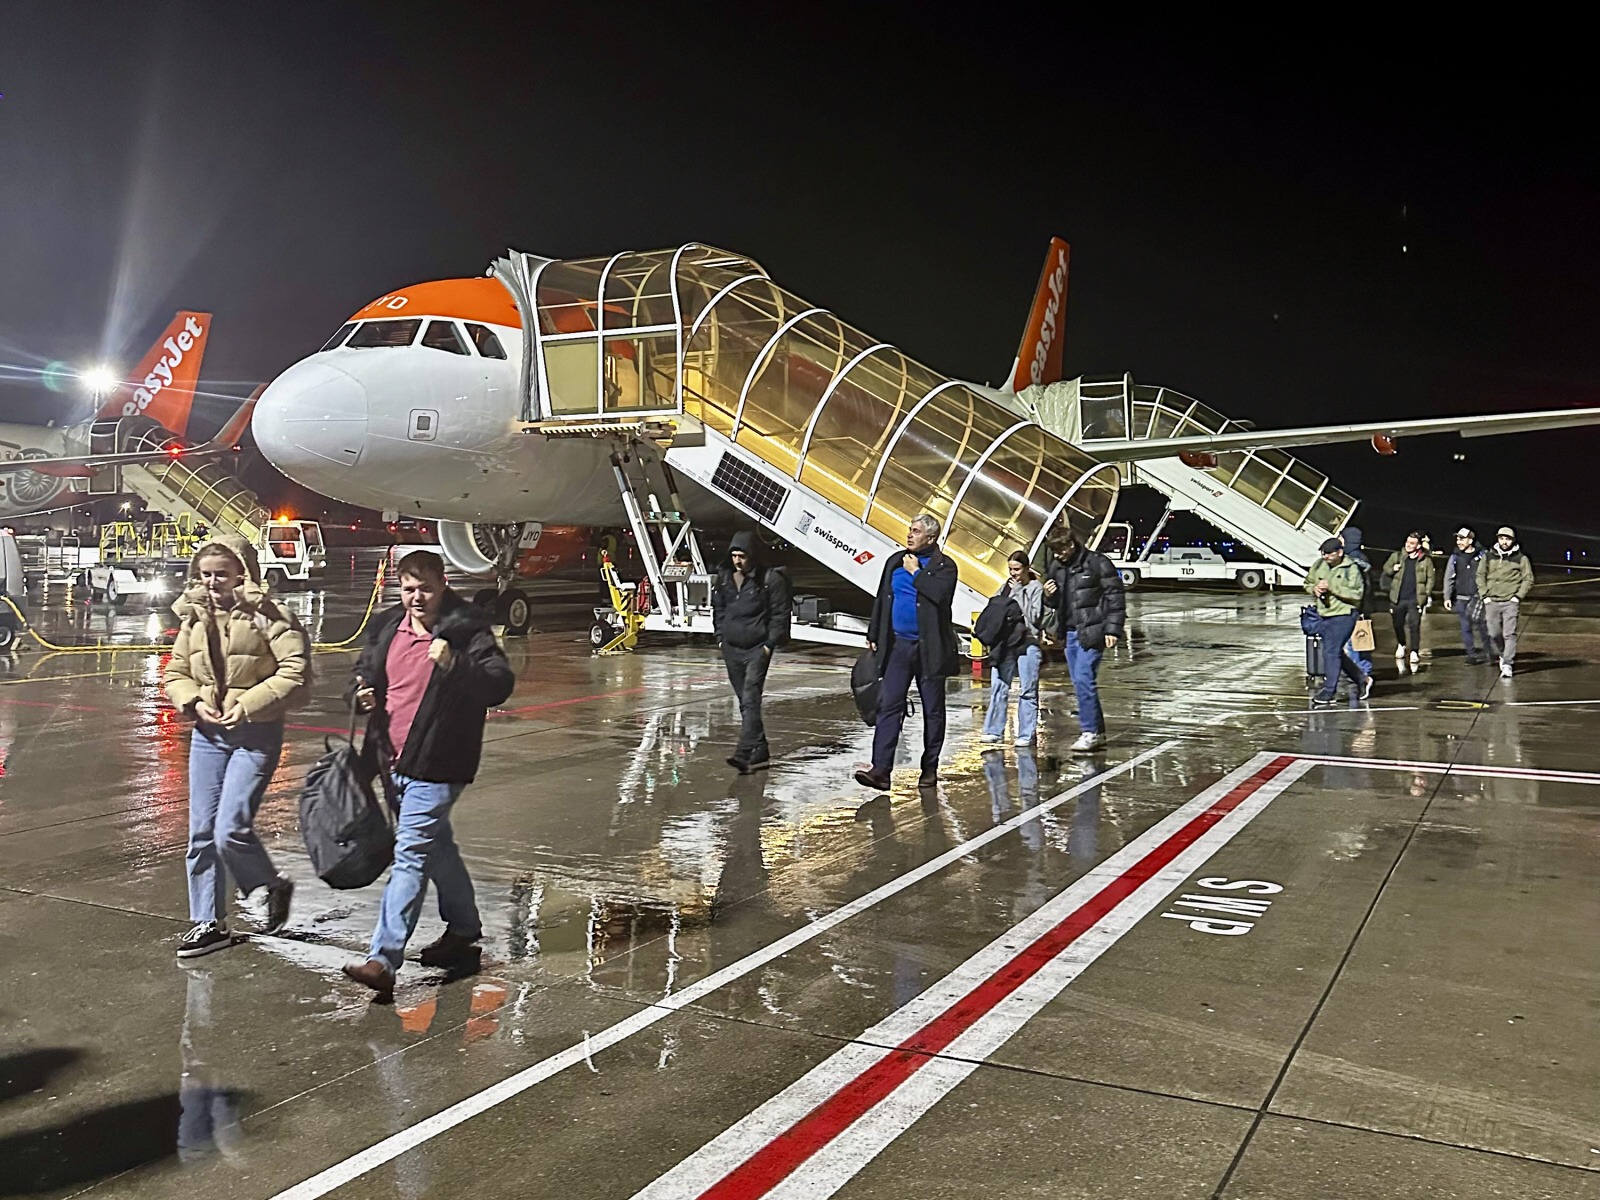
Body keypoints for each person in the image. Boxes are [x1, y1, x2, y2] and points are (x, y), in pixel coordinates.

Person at [344, 550, 515, 998]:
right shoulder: (387, 626)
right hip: (391, 761)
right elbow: (362, 673)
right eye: (408, 588)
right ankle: (464, 927)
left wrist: (456, 664)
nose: (416, 597)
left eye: (425, 588)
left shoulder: (466, 630)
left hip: (440, 763)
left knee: (412, 855)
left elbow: (499, 683)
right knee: (436, 848)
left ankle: (383, 959)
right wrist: (360, 694)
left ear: (443, 585)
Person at [163, 535, 308, 958]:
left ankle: (270, 884)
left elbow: (295, 670)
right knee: (201, 833)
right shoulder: (193, 618)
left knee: (230, 829)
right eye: (205, 574)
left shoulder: (271, 616)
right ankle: (209, 922)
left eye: (221, 574)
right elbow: (175, 672)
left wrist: (247, 704)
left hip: (256, 733)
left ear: (242, 574)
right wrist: (193, 701)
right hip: (209, 735)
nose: (212, 583)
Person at [855, 513, 958, 791]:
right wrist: (874, 633)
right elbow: (882, 598)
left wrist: (916, 573)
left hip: (929, 649)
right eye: (910, 530)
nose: (910, 535)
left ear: (931, 538)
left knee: (933, 710)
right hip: (898, 646)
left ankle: (929, 768)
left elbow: (940, 596)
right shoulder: (894, 562)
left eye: (916, 531)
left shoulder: (944, 566)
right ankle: (880, 769)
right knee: (889, 705)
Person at [711, 530, 790, 773]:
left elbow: (780, 613)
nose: (737, 561)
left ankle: (744, 752)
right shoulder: (725, 577)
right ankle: (760, 747)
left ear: (752, 555)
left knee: (750, 698)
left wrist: (769, 644)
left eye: (742, 556)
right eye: (734, 555)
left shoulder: (769, 579)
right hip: (732, 648)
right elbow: (718, 608)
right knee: (746, 703)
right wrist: (721, 638)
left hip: (757, 648)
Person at [1042, 524, 1124, 752]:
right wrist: (1048, 595)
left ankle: (1090, 731)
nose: (1057, 556)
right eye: (1054, 552)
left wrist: (1112, 630)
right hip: (1070, 631)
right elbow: (1055, 603)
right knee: (1081, 682)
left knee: (1083, 678)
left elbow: (1115, 596)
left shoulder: (1097, 563)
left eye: (1060, 550)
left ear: (1070, 545)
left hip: (1092, 630)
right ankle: (1098, 731)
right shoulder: (1057, 567)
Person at [981, 550, 1045, 747]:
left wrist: (1018, 593)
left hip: (1027, 641)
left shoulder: (1036, 588)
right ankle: (993, 730)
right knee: (999, 686)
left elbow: (1034, 618)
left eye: (1017, 569)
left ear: (1026, 568)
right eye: (1010, 569)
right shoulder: (1005, 586)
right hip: (1006, 642)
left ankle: (1026, 733)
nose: (1013, 574)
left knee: (1028, 689)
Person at [1304, 537, 1370, 706]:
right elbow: (1308, 582)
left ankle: (1329, 690)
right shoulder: (1319, 565)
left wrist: (1332, 587)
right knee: (1334, 651)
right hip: (1324, 613)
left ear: (1340, 552)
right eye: (1323, 553)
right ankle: (1362, 679)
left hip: (1345, 614)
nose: (1325, 557)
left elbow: (1357, 594)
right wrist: (1314, 588)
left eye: (1329, 554)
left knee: (1330, 652)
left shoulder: (1351, 568)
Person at [1476, 526, 1534, 678]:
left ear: (1513, 540)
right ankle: (1502, 653)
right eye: (1501, 538)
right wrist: (1484, 595)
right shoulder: (1489, 556)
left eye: (1507, 539)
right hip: (1492, 600)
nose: (1504, 542)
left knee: (1509, 633)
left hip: (1510, 601)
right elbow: (1480, 575)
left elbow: (1528, 578)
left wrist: (1518, 597)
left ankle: (1508, 663)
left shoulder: (1521, 558)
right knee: (1493, 632)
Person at [1380, 531, 1435, 672]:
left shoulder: (1425, 561)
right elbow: (1386, 568)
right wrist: (1393, 569)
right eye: (1407, 542)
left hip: (1415, 599)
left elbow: (1430, 579)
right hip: (1398, 598)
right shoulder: (1397, 556)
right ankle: (1402, 643)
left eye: (1412, 543)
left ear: (1418, 546)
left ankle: (1414, 651)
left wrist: (1425, 594)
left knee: (1414, 625)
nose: (1408, 545)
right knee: (1397, 624)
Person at [1443, 526, 1489, 664]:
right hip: (1461, 597)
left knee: (1484, 627)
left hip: (1479, 598)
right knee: (1465, 627)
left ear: (1470, 540)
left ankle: (1489, 652)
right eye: (1458, 539)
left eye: (1462, 539)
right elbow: (1449, 577)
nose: (1459, 542)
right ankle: (1471, 654)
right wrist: (1447, 596)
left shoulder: (1483, 555)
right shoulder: (1455, 557)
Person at [1338, 524, 1374, 680]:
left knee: (1358, 641)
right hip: (1360, 608)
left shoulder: (1354, 562)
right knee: (1358, 642)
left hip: (1356, 608)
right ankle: (1360, 671)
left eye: (1341, 538)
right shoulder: (1359, 558)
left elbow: (1358, 589)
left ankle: (1361, 673)